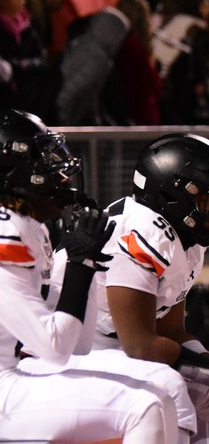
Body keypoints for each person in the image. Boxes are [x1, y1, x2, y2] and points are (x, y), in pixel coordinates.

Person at [0, 108, 177, 442]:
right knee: (144, 406)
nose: (59, 173)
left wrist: (88, 261)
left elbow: (77, 345)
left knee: (162, 393)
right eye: (42, 163)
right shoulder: (7, 230)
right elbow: (54, 347)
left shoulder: (30, 227)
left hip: (13, 372)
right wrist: (80, 263)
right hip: (6, 386)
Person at [83, 133, 209, 443]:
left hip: (115, 343)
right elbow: (141, 345)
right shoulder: (140, 233)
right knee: (171, 390)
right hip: (79, 347)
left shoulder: (184, 238)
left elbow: (171, 331)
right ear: (172, 196)